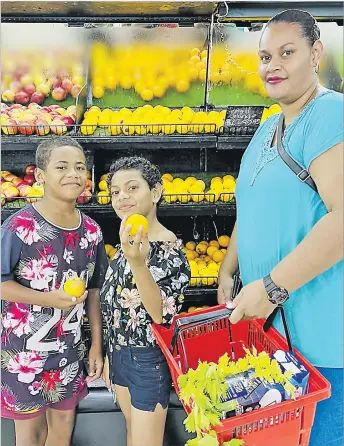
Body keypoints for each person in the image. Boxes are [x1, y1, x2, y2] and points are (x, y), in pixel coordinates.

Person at [218, 10, 343, 446]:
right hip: (275, 338)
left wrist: (269, 287)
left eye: (287, 53)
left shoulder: (331, 115)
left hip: (323, 344)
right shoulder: (269, 127)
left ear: (316, 53)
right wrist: (227, 271)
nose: (273, 65)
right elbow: (250, 207)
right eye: (265, 55)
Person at [1, 137, 107, 446]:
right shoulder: (19, 226)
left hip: (69, 350)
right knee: (30, 435)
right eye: (62, 167)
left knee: (63, 426)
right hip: (24, 354)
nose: (73, 174)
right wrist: (48, 299)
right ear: (40, 175)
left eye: (79, 167)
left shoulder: (91, 231)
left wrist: (96, 346)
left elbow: (95, 291)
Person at [100, 156, 191, 446]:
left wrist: (138, 264)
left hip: (147, 361)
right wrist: (109, 354)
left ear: (155, 193)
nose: (122, 197)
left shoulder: (170, 251)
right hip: (119, 357)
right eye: (115, 191)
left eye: (132, 188)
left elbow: (160, 314)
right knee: (132, 435)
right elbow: (115, 305)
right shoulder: (127, 239)